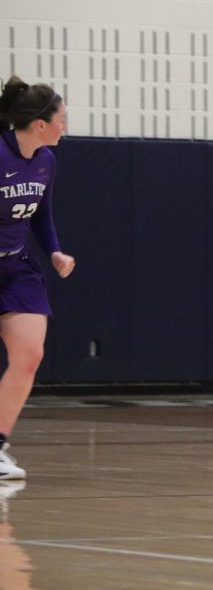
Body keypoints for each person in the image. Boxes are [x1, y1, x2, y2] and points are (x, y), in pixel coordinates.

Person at [0, 75, 76, 479]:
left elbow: (41, 215)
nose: (66, 125)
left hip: (16, 266)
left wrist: (55, 252)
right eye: (62, 118)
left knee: (29, 355)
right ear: (40, 124)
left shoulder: (46, 161)